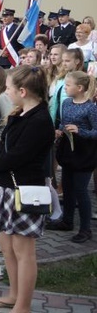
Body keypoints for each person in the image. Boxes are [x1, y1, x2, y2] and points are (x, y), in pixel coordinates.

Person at [0, 65, 54, 312]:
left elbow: (16, 157)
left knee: (23, 251)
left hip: (25, 192)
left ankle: (23, 305)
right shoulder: (19, 113)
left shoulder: (41, 120)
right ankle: (13, 294)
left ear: (22, 90)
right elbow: (3, 150)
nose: (4, 91)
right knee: (7, 247)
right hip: (4, 189)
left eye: (7, 88)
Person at [48, 71, 97, 243]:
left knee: (80, 190)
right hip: (68, 150)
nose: (65, 88)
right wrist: (60, 130)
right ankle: (67, 220)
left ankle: (85, 229)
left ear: (80, 88)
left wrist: (80, 131)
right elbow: (63, 121)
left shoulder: (91, 107)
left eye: (68, 85)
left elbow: (95, 132)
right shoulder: (67, 103)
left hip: (84, 153)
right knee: (67, 186)